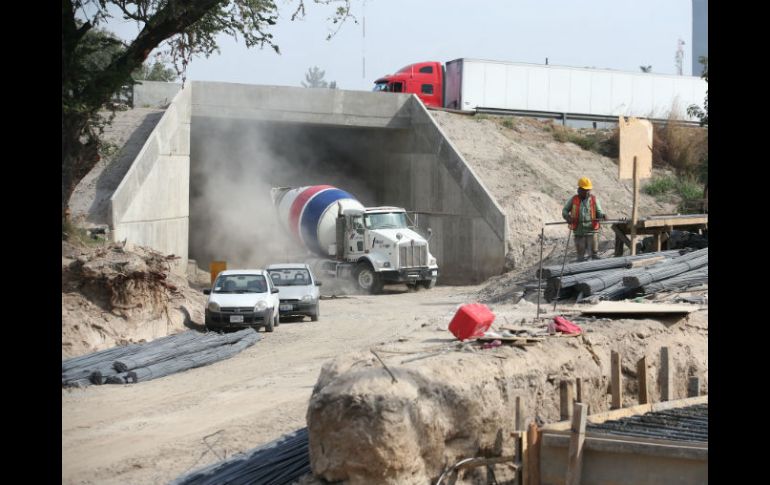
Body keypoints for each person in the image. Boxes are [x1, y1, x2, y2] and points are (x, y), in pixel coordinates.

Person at [562, 176, 607, 261]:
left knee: (594, 255)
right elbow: (565, 210)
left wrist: (602, 215)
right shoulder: (573, 199)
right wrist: (567, 217)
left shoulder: (594, 200)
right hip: (579, 232)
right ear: (579, 190)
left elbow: (599, 212)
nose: (588, 192)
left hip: (591, 231)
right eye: (585, 190)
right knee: (580, 257)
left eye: (589, 190)